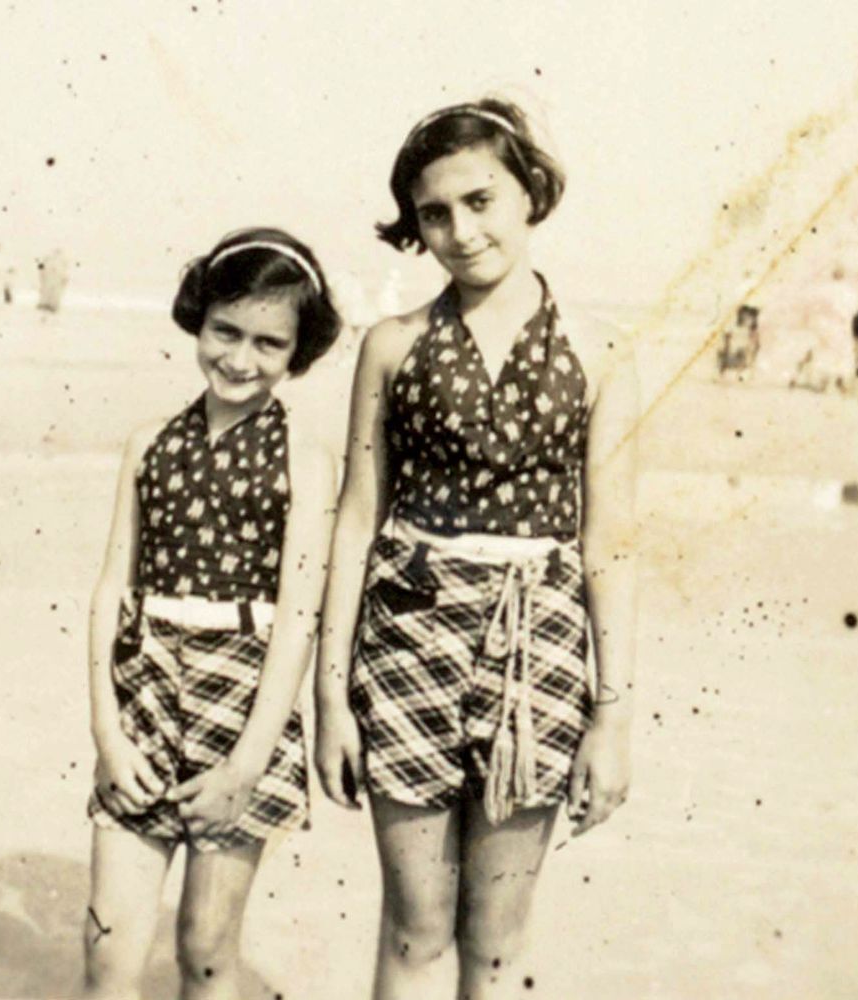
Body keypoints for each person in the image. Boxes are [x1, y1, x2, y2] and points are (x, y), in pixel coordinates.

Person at [315, 99, 638, 999]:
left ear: (530, 192)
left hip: (539, 655)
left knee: (496, 942)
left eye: (481, 199)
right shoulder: (391, 347)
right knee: (416, 930)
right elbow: (354, 519)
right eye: (434, 213)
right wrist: (330, 694)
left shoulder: (601, 352)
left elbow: (610, 542)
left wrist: (612, 718)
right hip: (406, 647)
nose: (461, 230)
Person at [83, 227, 340, 999]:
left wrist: (248, 764)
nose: (240, 357)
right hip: (144, 698)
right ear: (197, 319)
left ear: (298, 350)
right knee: (108, 957)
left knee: (204, 948)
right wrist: (107, 732)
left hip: (245, 708)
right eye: (225, 331)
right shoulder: (148, 443)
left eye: (269, 342)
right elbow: (108, 594)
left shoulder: (306, 458)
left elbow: (300, 616)